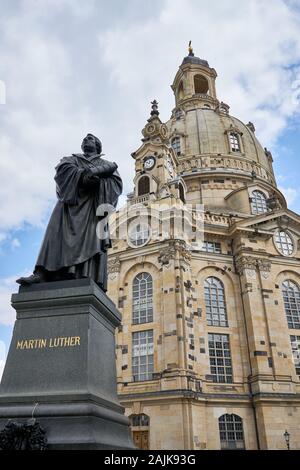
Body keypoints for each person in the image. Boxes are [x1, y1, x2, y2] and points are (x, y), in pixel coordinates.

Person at [16, 134, 122, 292]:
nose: (86, 141)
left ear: (98, 146)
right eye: (84, 139)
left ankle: (82, 274)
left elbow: (115, 185)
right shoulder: (71, 159)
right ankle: (42, 273)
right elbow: (62, 172)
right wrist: (83, 176)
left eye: (90, 139)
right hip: (69, 204)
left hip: (92, 208)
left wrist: (99, 182)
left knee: (90, 239)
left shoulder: (106, 164)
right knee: (53, 236)